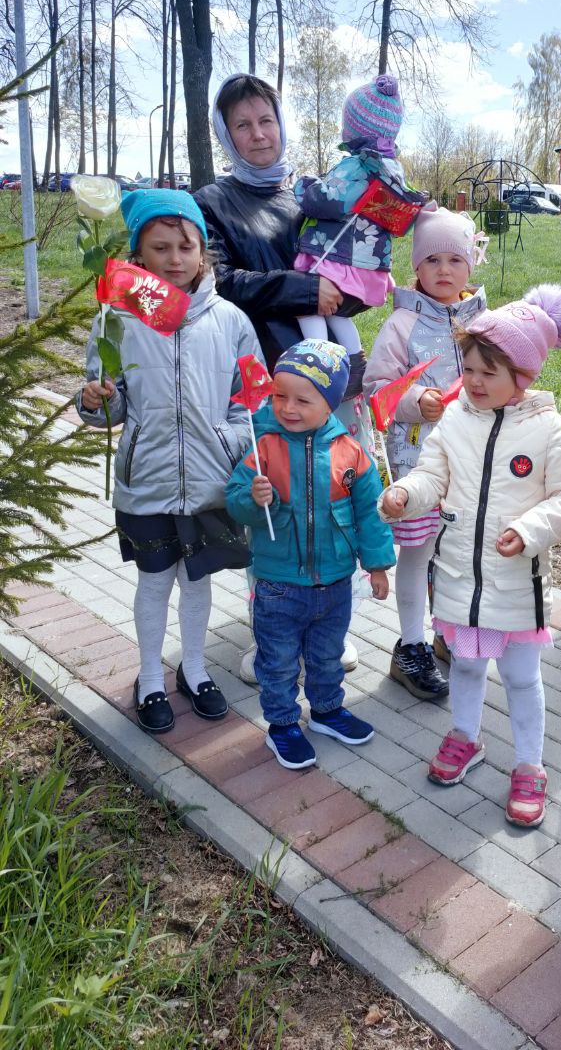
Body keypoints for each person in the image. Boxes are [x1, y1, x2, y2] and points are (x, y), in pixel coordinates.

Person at [379, 285, 561, 827]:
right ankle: (465, 736)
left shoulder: (547, 428)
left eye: (487, 373)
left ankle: (530, 764)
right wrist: (406, 493)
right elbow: (432, 475)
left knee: (521, 678)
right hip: (458, 578)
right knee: (467, 665)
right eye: (469, 369)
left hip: (516, 584)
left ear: (522, 375)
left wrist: (529, 529)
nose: (472, 381)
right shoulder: (454, 419)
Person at [196, 72, 361, 679]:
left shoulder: (310, 197)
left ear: (281, 123)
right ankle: (271, 636)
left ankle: (325, 632)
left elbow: (348, 280)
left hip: (328, 379)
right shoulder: (212, 203)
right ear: (226, 135)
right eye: (242, 124)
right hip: (262, 379)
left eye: (266, 120)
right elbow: (218, 282)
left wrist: (357, 286)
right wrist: (301, 289)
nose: (258, 134)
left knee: (330, 503)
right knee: (273, 508)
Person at [77, 188, 258, 734]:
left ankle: (195, 669)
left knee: (197, 581)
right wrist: (97, 401)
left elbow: (250, 401)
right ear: (139, 253)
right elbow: (109, 404)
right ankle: (151, 676)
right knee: (155, 582)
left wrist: (231, 442)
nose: (175, 259)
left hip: (210, 479)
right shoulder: (117, 318)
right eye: (160, 248)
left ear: (203, 252)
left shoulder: (230, 320)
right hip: (147, 481)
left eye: (186, 246)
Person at [225, 339, 396, 769]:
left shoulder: (350, 451)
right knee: (278, 662)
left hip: (336, 581)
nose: (288, 407)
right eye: (280, 396)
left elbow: (370, 512)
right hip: (278, 584)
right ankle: (282, 725)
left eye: (303, 400)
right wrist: (253, 498)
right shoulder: (263, 447)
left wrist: (377, 565)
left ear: (330, 402)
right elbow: (235, 501)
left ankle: (326, 710)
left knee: (326, 655)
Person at [364, 207, 485, 700]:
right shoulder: (402, 324)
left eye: (455, 259)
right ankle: (410, 644)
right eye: (432, 259)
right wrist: (416, 400)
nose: (443, 270)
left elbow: (506, 376)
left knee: (457, 552)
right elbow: (377, 388)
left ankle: (447, 631)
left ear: (470, 264)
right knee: (418, 551)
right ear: (416, 266)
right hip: (418, 461)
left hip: (472, 460)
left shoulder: (485, 321)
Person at [294, 74, 427, 371]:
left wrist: (304, 185)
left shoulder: (358, 166)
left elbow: (328, 201)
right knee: (337, 314)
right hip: (369, 265)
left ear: (355, 128)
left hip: (339, 259)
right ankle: (355, 363)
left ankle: (317, 364)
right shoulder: (392, 169)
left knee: (308, 305)